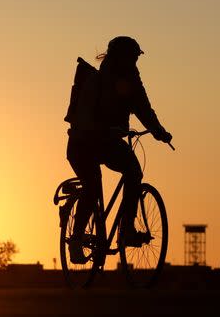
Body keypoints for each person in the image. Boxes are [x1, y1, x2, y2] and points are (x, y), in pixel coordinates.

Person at [66, 36, 172, 264]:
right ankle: (76, 240)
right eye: (132, 58)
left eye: (136, 59)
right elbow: (83, 118)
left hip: (107, 143)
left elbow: (143, 108)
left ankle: (127, 230)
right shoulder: (95, 81)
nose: (135, 63)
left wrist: (158, 130)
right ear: (120, 58)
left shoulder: (132, 82)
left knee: (134, 171)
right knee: (93, 185)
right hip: (82, 144)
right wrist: (102, 129)